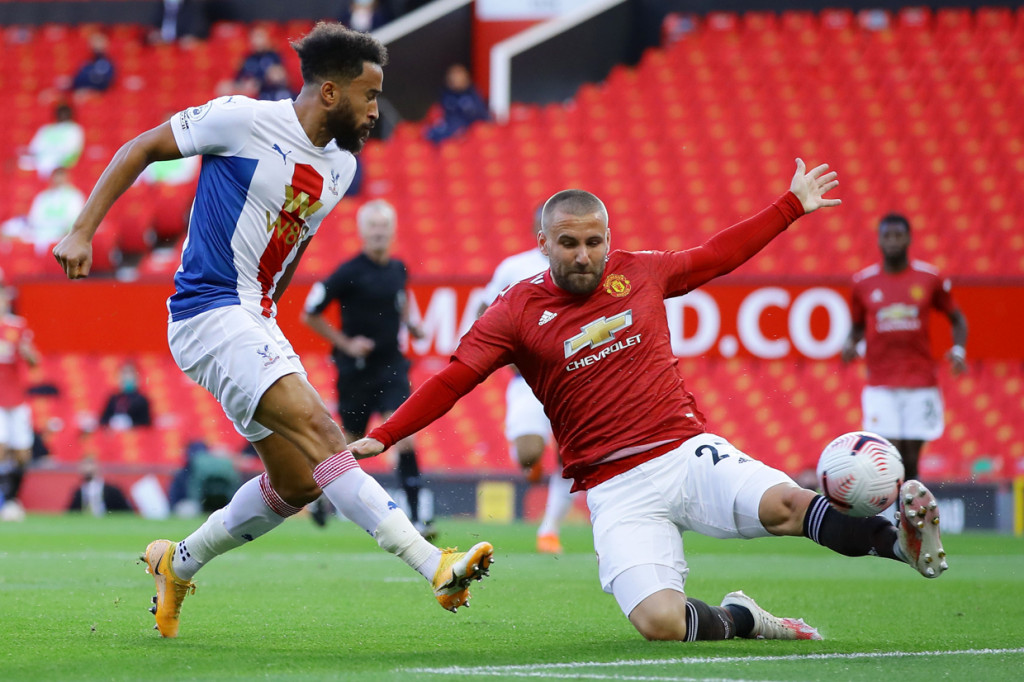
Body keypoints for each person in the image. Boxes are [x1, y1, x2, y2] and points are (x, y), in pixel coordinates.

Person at [350, 160, 950, 644]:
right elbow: (456, 376)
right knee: (660, 625)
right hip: (613, 487)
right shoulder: (513, 311)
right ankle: (746, 619)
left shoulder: (640, 272)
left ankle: (897, 540)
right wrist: (389, 431)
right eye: (568, 244)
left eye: (594, 241)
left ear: (609, 237)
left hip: (688, 452)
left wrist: (789, 206)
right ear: (542, 244)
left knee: (790, 505)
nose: (583, 255)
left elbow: (715, 256)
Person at [52, 22, 493, 639]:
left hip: (253, 317)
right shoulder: (242, 119)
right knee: (325, 434)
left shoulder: (339, 167)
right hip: (207, 309)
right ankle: (432, 564)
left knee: (296, 482)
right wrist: (82, 230)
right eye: (369, 95)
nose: (376, 110)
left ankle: (177, 563)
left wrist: (267, 321)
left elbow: (289, 246)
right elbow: (142, 148)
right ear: (332, 93)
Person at [301, 199, 434, 537]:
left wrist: (413, 325)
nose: (378, 232)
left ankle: (418, 518)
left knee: (403, 437)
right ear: (362, 231)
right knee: (351, 444)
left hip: (391, 365)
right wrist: (346, 344)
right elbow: (310, 312)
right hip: (356, 371)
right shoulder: (348, 272)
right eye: (372, 226)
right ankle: (318, 495)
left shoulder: (398, 268)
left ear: (392, 231)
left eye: (383, 226)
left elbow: (401, 300)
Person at [477, 205, 576, 554]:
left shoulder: (578, 266)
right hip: (528, 381)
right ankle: (531, 468)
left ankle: (549, 530)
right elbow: (485, 309)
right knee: (529, 453)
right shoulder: (515, 267)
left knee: (569, 455)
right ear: (538, 229)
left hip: (571, 378)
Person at [840, 213, 968, 481]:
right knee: (889, 453)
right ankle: (887, 520)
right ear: (879, 240)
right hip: (880, 382)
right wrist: (850, 343)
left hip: (920, 381)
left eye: (898, 235)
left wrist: (958, 350)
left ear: (909, 238)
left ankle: (909, 519)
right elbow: (857, 325)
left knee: (910, 458)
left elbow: (956, 319)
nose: (893, 241)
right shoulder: (863, 283)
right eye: (887, 235)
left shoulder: (929, 278)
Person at [0, 286, 40, 521]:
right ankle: (5, 499)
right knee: (2, 447)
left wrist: (27, 353)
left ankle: (12, 498)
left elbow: (34, 360)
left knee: (23, 453)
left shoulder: (17, 326)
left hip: (17, 397)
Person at [2, 167, 86, 255]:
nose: (58, 180)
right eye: (56, 177)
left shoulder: (74, 196)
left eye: (61, 177)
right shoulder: (43, 196)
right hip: (39, 230)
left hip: (61, 232)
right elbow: (34, 218)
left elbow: (73, 219)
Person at [424, 64, 490, 144]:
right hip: (449, 133)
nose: (456, 79)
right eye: (453, 75)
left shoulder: (474, 95)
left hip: (471, 135)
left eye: (459, 75)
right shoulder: (444, 96)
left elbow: (483, 117)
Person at [19, 102, 85, 179]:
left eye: (65, 113)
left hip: (61, 164)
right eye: (61, 113)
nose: (63, 115)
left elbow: (74, 151)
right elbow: (34, 149)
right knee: (22, 163)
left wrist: (58, 163)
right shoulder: (46, 129)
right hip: (41, 161)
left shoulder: (74, 129)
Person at [66, 457, 133, 516]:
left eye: (90, 464)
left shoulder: (112, 490)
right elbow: (71, 513)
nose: (87, 468)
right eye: (84, 465)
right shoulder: (79, 491)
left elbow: (126, 512)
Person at [99, 361, 153, 429]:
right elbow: (103, 420)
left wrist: (130, 424)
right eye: (124, 374)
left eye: (130, 374)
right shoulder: (113, 399)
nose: (127, 377)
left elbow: (146, 423)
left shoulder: (142, 400)